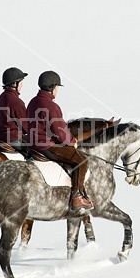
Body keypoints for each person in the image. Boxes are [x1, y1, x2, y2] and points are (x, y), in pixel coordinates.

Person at [27, 70, 93, 210]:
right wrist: (71, 142)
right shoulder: (51, 106)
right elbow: (59, 130)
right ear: (53, 87)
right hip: (48, 146)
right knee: (82, 160)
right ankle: (77, 197)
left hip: (32, 145)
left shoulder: (33, 102)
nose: (57, 90)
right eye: (57, 87)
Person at [0, 67, 29, 152]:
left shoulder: (2, 97)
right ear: (15, 84)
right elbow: (26, 127)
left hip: (0, 140)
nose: (22, 85)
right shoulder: (16, 102)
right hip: (14, 140)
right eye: (21, 82)